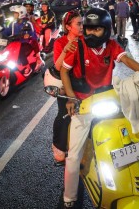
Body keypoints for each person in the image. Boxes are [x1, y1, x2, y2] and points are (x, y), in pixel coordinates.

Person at [60, 8, 139, 208]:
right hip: (83, 103)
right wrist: (70, 99)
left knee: (131, 136)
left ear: (106, 30)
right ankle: (69, 197)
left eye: (96, 30)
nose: (90, 33)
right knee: (74, 154)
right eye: (88, 29)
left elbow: (127, 60)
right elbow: (64, 72)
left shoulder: (111, 46)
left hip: (108, 98)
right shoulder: (76, 46)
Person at [50, 10, 82, 164]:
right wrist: (65, 50)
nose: (82, 27)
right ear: (68, 27)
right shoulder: (60, 42)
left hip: (83, 84)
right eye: (79, 24)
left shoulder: (85, 39)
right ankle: (59, 146)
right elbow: (57, 66)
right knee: (64, 114)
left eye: (83, 23)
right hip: (65, 83)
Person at [1, 5, 44, 74]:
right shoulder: (12, 24)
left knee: (19, 51)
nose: (14, 14)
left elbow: (34, 35)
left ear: (21, 13)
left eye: (16, 13)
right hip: (14, 44)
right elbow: (6, 32)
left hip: (25, 44)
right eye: (14, 13)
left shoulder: (28, 23)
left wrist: (28, 35)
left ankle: (27, 67)